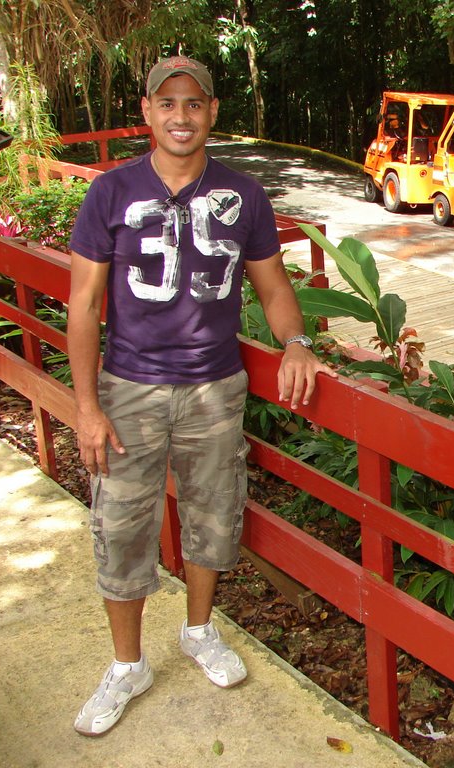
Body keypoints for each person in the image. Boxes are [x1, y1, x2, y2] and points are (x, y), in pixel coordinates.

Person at [67, 55, 336, 737]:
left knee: (215, 515)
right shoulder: (111, 193)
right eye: (167, 104)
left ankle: (198, 629)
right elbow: (84, 302)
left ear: (212, 113)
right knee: (121, 526)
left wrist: (297, 342)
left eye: (194, 104)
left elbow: (274, 288)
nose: (180, 117)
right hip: (129, 388)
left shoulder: (243, 195)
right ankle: (127, 664)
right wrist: (87, 407)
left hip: (214, 388)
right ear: (147, 112)